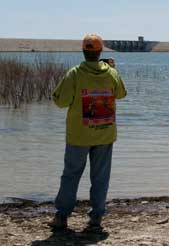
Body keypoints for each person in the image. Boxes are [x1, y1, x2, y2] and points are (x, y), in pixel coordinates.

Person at [50, 34, 127, 229]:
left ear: (84, 51)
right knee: (101, 176)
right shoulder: (111, 73)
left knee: (71, 175)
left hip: (79, 135)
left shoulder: (74, 73)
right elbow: (121, 94)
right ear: (100, 52)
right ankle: (96, 217)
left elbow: (60, 101)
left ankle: (62, 216)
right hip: (105, 133)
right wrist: (112, 70)